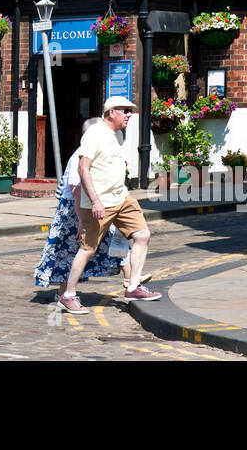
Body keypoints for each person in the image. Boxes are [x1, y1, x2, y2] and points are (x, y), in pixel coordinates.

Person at [59, 97, 161, 314]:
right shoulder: (95, 133)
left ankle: (133, 286)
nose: (129, 115)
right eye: (125, 111)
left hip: (121, 198)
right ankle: (68, 295)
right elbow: (83, 168)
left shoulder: (115, 135)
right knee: (87, 249)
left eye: (130, 111)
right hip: (100, 203)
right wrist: (95, 200)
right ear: (111, 112)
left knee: (142, 234)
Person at [35, 122, 152, 297]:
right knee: (72, 252)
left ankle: (131, 281)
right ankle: (65, 293)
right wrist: (81, 220)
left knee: (115, 242)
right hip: (75, 211)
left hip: (98, 205)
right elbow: (76, 191)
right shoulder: (79, 157)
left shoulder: (99, 151)